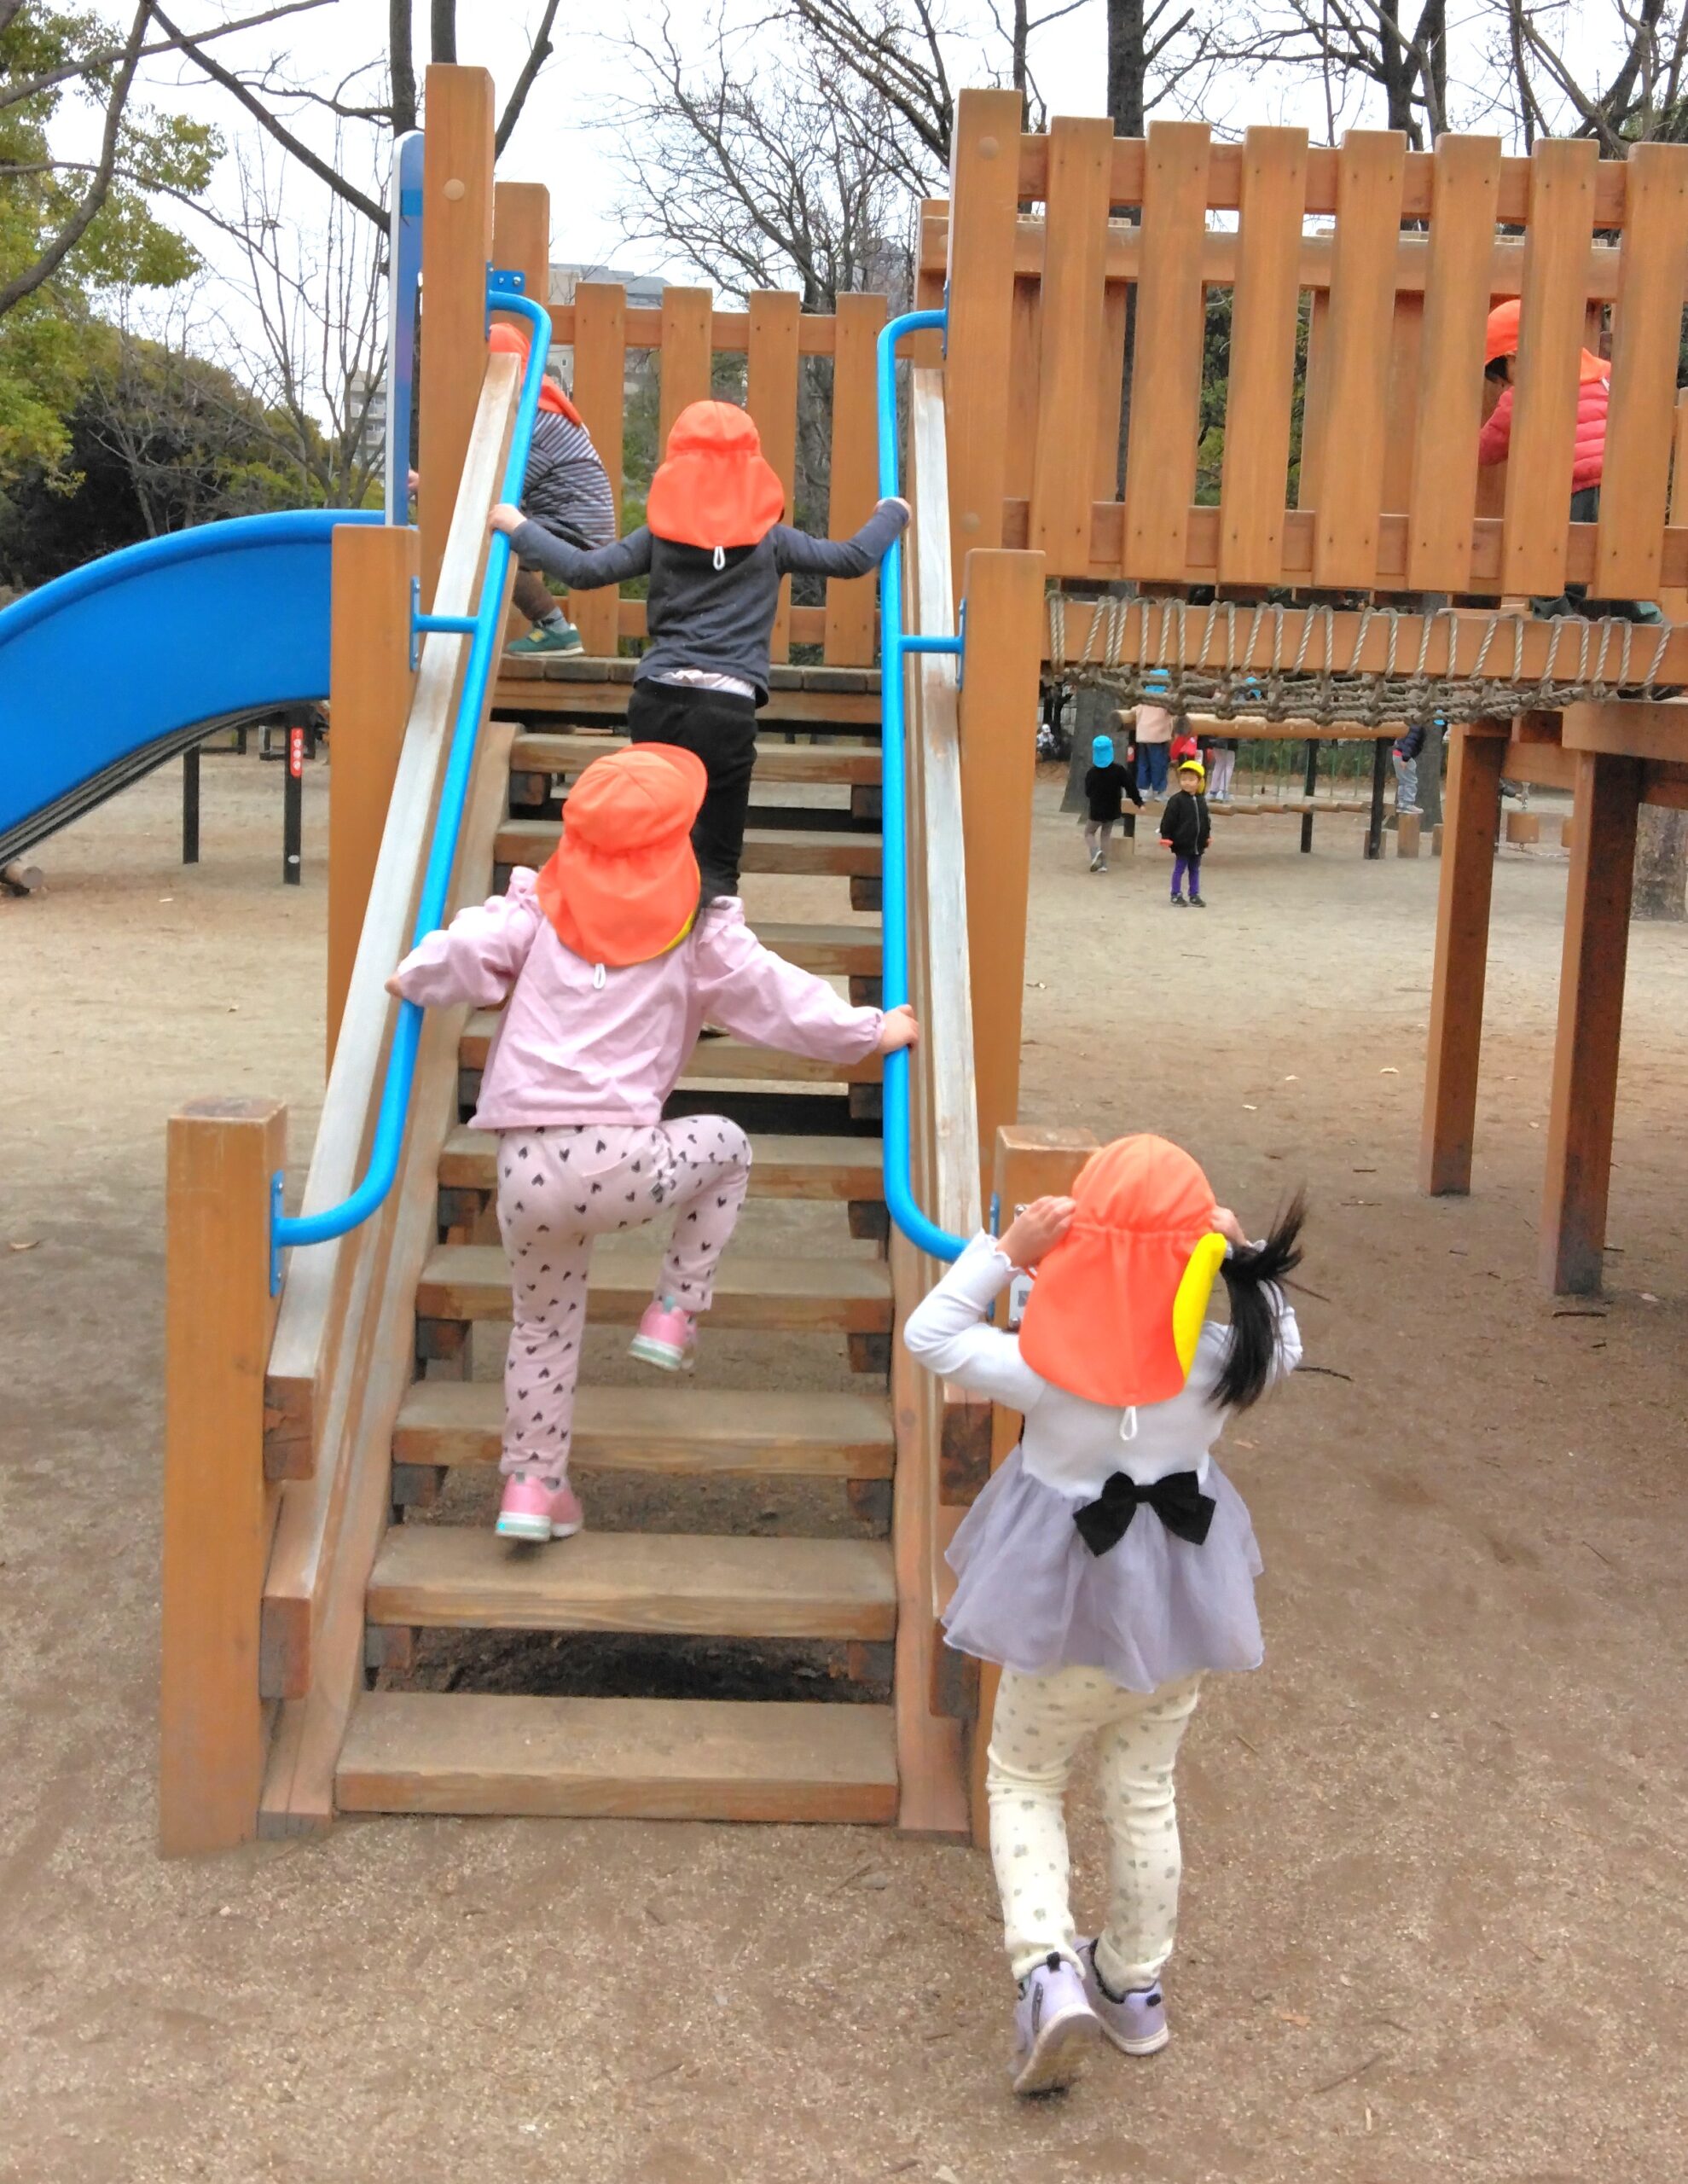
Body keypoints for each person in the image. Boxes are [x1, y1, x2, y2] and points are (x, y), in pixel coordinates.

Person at [386, 743, 919, 1545]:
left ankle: (530, 1486)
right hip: (621, 1163)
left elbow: (460, 952)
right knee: (728, 1148)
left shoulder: (535, 912)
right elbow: (779, 1000)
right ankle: (673, 1311)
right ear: (679, 838)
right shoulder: (698, 931)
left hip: (525, 1171)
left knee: (542, 1327)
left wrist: (413, 977)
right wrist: (870, 1032)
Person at [903, 1137, 1304, 2095]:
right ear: (1196, 1256)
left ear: (1079, 1245)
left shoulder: (1039, 1369)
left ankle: (1047, 1972)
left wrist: (1007, 1251)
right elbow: (1283, 1344)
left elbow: (931, 1334)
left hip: (1063, 1625)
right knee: (1143, 1787)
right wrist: (1243, 1254)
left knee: (1024, 1776)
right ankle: (1132, 1984)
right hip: (1175, 1620)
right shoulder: (1221, 1360)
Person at [492, 400, 910, 894]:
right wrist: (892, 513)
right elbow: (852, 559)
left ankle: (647, 928)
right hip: (726, 708)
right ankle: (711, 923)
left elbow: (585, 571)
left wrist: (519, 527)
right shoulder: (772, 541)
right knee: (717, 853)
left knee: (655, 834)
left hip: (658, 697)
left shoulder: (659, 538)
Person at [1477, 300, 1663, 625]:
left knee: (1551, 555)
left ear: (1515, 356)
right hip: (1624, 483)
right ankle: (1648, 620)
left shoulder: (1520, 399)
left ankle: (1555, 617)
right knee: (1623, 559)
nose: (1504, 386)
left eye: (1500, 375)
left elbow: (1486, 449)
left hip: (1574, 485)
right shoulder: (1606, 376)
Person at [485, 326, 619, 658]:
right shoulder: (540, 404)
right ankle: (552, 626)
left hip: (577, 524)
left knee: (491, 548)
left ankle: (555, 628)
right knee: (497, 542)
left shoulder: (536, 422)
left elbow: (502, 486)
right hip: (574, 517)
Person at [1081, 730, 1142, 873]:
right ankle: (1104, 864)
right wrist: (1138, 802)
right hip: (1113, 808)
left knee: (1089, 832)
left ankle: (1095, 852)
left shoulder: (1091, 773)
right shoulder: (1119, 770)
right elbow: (1130, 786)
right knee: (1106, 834)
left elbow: (1087, 792)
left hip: (1096, 810)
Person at [1159, 757, 1212, 907]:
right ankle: (1175, 894)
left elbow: (1205, 820)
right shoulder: (1176, 800)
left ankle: (1194, 894)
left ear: (1199, 781)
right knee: (1179, 869)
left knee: (1195, 869)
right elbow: (1168, 819)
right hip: (1182, 842)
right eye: (1184, 779)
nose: (1187, 783)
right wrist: (1166, 836)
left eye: (1191, 779)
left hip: (1198, 843)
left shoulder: (1201, 800)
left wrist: (1207, 836)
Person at [1133, 699, 1175, 802]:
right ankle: (1159, 791)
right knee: (1159, 764)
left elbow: (1135, 711)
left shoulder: (1143, 699)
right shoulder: (1164, 700)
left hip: (1143, 735)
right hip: (1158, 736)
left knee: (1143, 764)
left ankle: (1143, 790)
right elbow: (1173, 711)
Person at [1392, 722, 1424, 817]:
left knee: (1403, 780)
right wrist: (1405, 758)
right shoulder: (1416, 727)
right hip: (1404, 755)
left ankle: (1402, 803)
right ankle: (1408, 803)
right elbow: (1410, 743)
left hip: (1397, 753)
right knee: (1410, 780)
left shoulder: (1409, 725)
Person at [1204, 736, 1238, 804]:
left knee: (1219, 764)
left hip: (1215, 740)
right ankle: (1223, 791)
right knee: (1229, 764)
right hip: (1228, 742)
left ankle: (1213, 791)